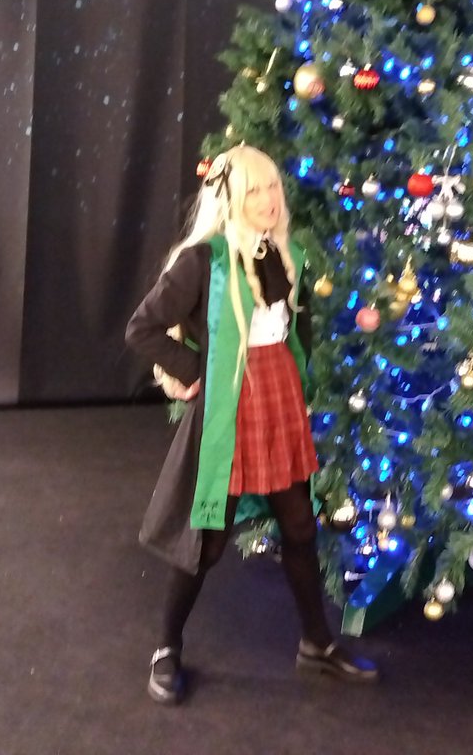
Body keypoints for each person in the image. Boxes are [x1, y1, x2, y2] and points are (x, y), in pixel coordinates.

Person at [125, 144, 379, 704]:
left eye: (273, 188)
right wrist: (197, 372)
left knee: (300, 526)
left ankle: (316, 644)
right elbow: (142, 328)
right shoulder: (204, 261)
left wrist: (300, 388)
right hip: (232, 408)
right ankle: (166, 647)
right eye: (254, 190)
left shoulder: (288, 255)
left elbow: (296, 331)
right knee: (209, 537)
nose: (268, 200)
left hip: (280, 400)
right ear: (231, 199)